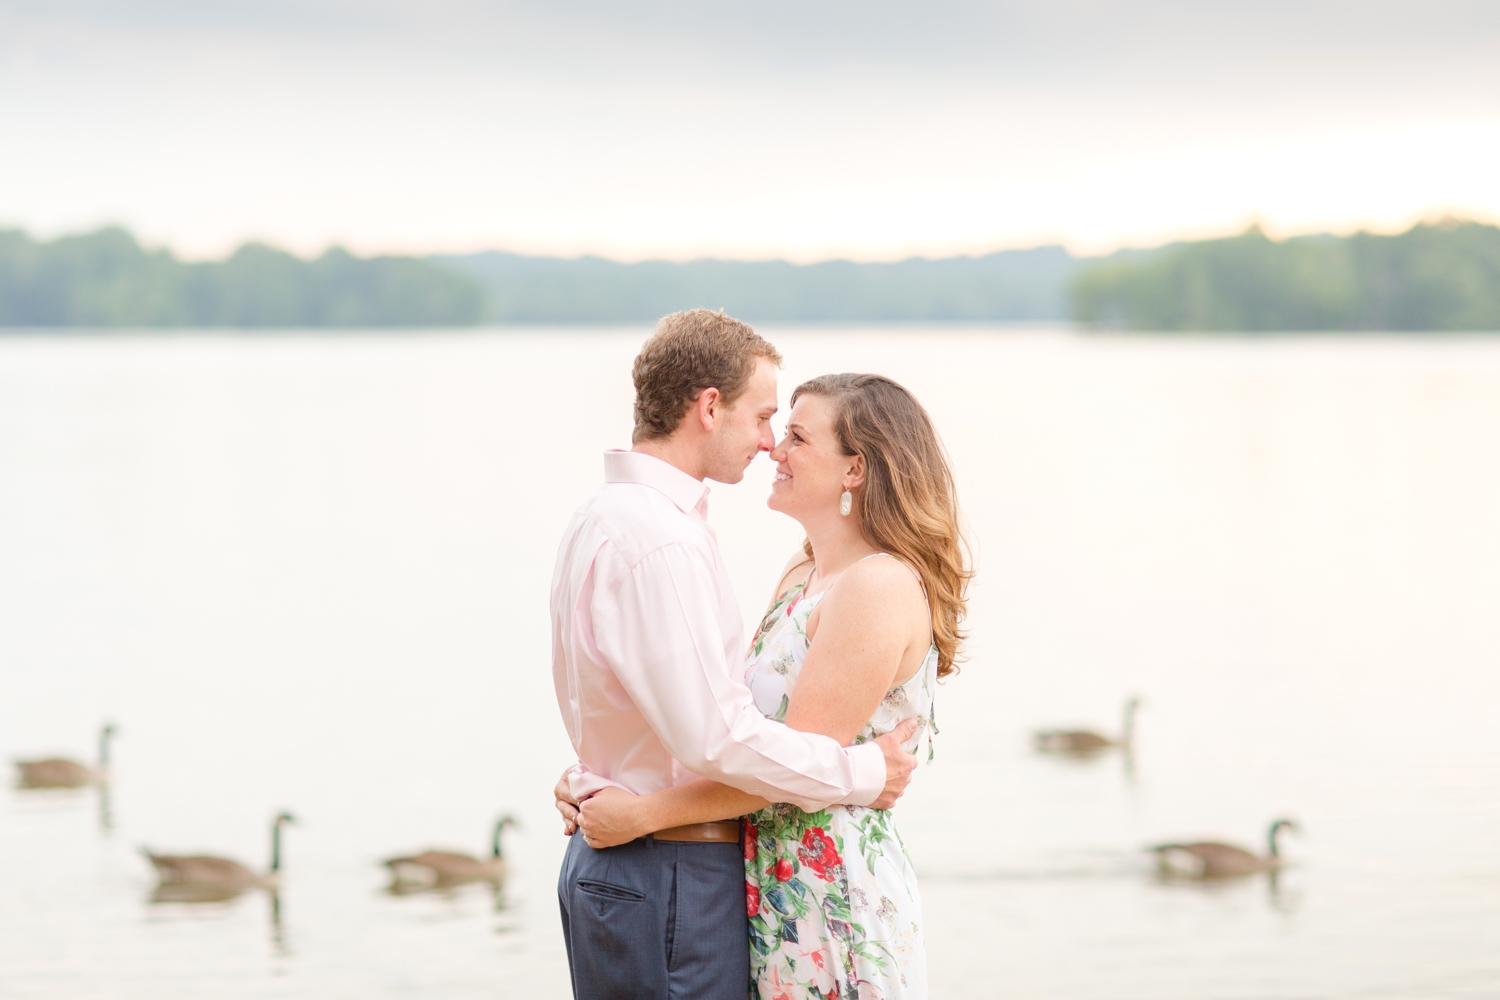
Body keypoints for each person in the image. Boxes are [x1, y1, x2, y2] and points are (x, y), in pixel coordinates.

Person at [561, 365, 971, 1000]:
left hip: (828, 899)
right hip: (763, 883)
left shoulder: (876, 587)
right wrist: (599, 783)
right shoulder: (804, 572)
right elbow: (732, 732)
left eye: (799, 438)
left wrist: (638, 815)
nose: (773, 449)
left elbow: (791, 774)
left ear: (854, 469)